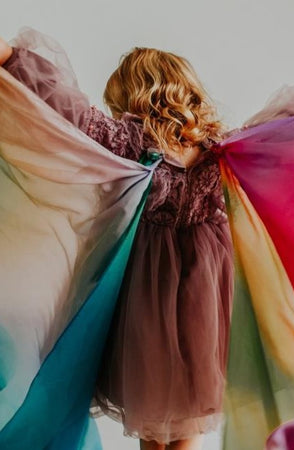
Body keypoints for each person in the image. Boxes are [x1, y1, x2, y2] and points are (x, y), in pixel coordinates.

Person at [0, 29, 233, 450]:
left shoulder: (132, 144)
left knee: (156, 431)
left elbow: (69, 112)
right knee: (183, 428)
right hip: (205, 305)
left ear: (134, 96)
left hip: (144, 305)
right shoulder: (224, 154)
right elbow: (288, 150)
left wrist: (13, 59)